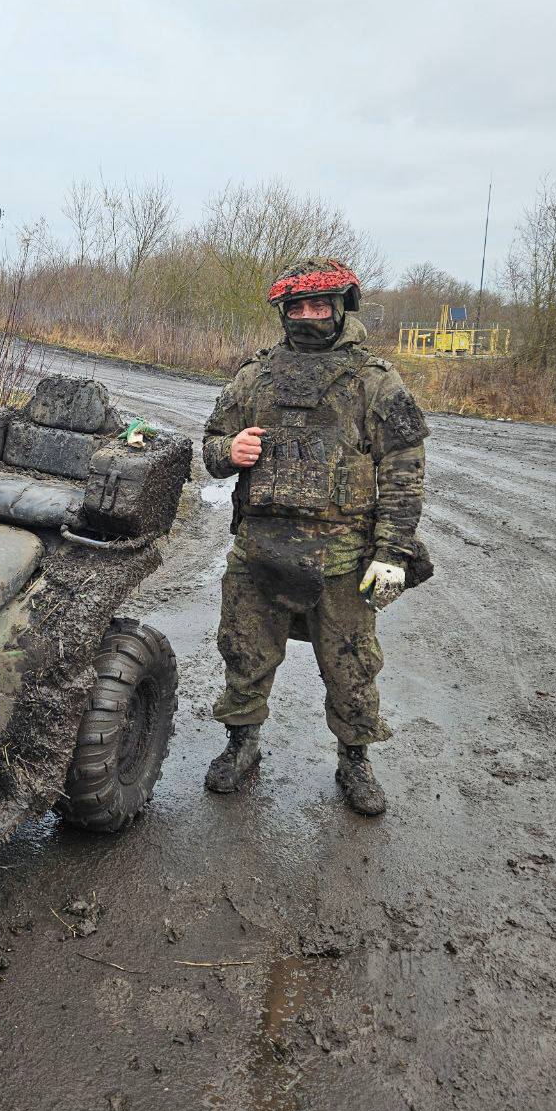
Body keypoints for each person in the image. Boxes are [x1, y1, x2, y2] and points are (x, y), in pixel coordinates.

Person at [202, 257, 429, 815]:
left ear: (340, 306)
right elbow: (210, 442)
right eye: (298, 306)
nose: (308, 315)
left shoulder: (374, 381)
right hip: (260, 550)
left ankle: (354, 759)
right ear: (284, 312)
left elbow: (403, 466)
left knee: (351, 667)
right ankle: (241, 743)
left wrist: (393, 552)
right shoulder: (255, 376)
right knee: (245, 654)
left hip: (343, 559)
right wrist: (227, 454)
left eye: (319, 304)